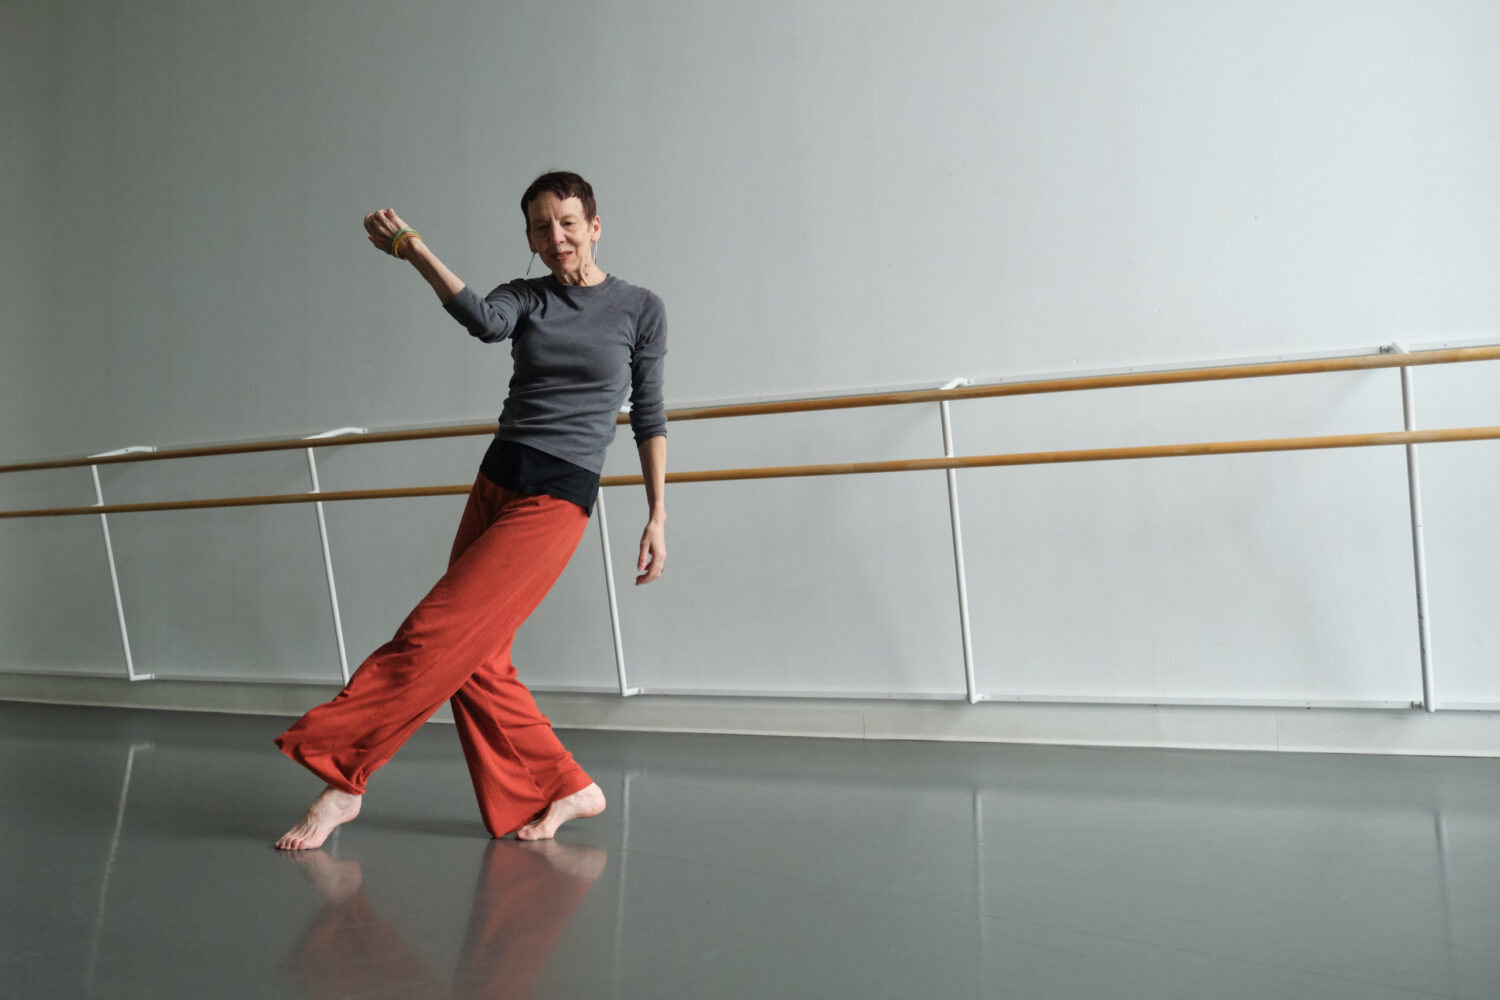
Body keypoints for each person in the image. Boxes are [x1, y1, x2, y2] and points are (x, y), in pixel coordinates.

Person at [273, 171, 667, 850]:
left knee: (435, 634)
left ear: (595, 226)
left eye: (568, 222)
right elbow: (484, 321)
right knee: (477, 657)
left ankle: (343, 781)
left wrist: (657, 515)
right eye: (541, 228)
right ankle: (568, 787)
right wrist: (415, 250)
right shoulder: (526, 298)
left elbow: (650, 416)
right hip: (498, 479)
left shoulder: (639, 308)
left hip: (557, 495)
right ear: (530, 238)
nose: (557, 237)